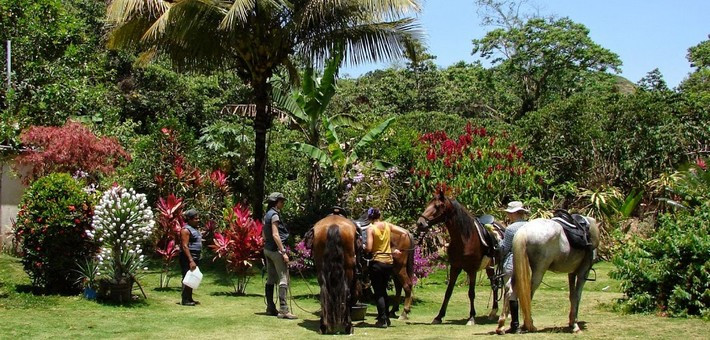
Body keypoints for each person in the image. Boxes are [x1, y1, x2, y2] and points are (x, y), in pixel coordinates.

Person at [262, 192, 297, 319]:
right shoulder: (275, 215)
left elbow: (264, 235)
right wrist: (283, 252)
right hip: (276, 251)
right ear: (276, 202)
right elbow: (276, 235)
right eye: (281, 201)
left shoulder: (266, 215)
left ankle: (270, 307)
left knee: (271, 279)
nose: (283, 203)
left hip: (267, 250)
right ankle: (283, 310)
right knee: (283, 278)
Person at [365, 207, 400, 328]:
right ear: (380, 215)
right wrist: (396, 249)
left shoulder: (371, 228)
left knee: (378, 292)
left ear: (369, 217)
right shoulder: (387, 225)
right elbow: (404, 232)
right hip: (388, 263)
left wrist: (364, 247)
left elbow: (369, 248)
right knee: (384, 290)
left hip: (377, 262)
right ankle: (387, 318)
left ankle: (382, 319)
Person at [500, 201, 529, 333]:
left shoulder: (511, 229)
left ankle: (515, 324)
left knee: (511, 292)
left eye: (510, 214)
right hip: (528, 263)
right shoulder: (530, 226)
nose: (509, 216)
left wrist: (497, 239)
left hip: (512, 262)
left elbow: (505, 249)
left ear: (515, 213)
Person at [180, 209, 202, 306]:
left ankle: (189, 298)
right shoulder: (185, 230)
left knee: (192, 277)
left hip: (195, 257)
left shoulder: (194, 229)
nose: (198, 220)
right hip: (187, 258)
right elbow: (185, 246)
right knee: (187, 277)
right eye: (195, 218)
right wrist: (191, 260)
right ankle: (185, 300)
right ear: (189, 219)